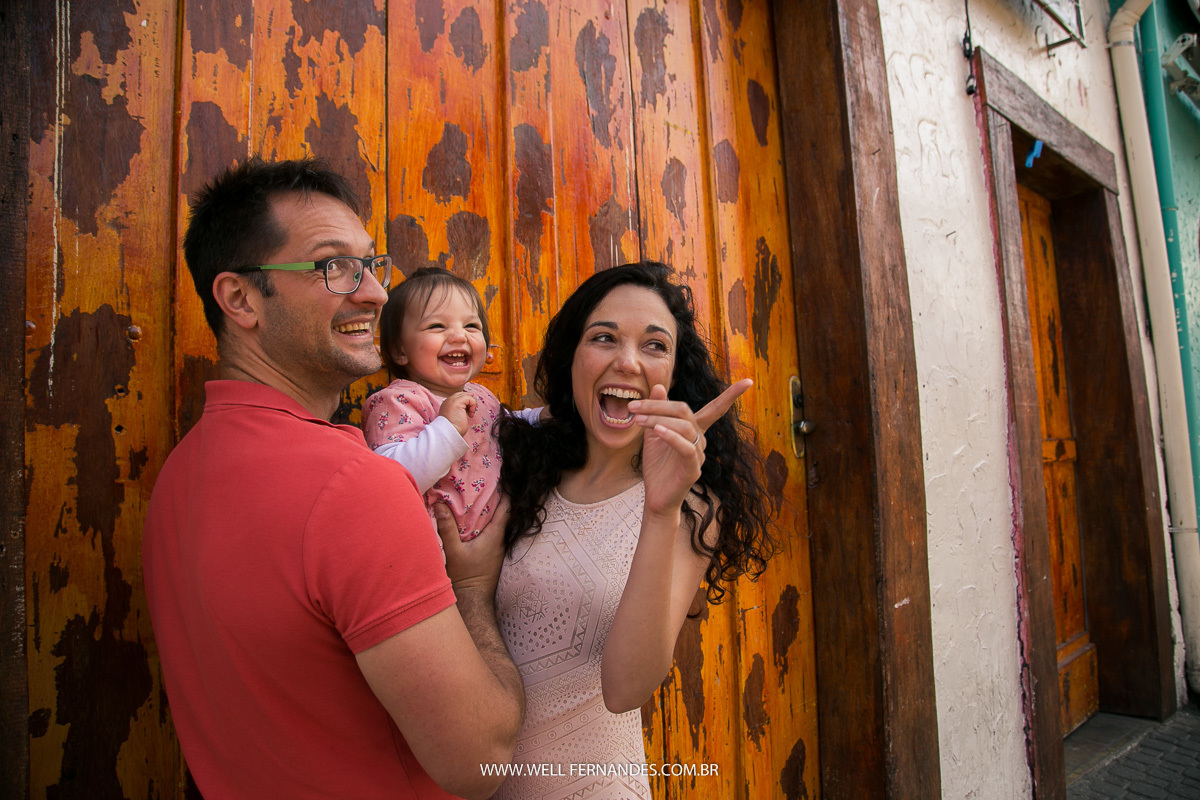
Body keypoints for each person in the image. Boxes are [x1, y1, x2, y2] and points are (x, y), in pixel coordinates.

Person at [142, 157, 523, 800]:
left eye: (372, 265)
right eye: (333, 266)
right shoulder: (355, 487)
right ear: (239, 299)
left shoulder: (178, 477)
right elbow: (480, 758)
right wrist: (477, 587)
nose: (375, 293)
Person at [489, 261, 775, 799]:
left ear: (675, 369)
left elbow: (625, 690)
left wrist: (660, 511)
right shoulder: (520, 463)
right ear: (572, 355)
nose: (627, 362)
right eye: (604, 338)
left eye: (654, 345)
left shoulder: (692, 507)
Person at [363, 267, 543, 543]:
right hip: (432, 549)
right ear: (400, 349)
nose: (460, 336)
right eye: (437, 326)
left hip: (497, 544)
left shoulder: (480, 395)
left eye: (471, 326)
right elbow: (393, 480)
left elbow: (506, 425)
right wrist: (445, 428)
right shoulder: (398, 401)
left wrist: (545, 416)